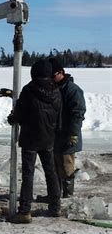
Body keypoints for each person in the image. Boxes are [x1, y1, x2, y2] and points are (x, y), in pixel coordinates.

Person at [8, 59, 62, 223]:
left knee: (28, 174)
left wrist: (13, 118)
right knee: (51, 172)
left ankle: (24, 211)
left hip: (30, 139)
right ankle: (55, 207)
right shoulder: (56, 91)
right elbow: (59, 115)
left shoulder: (29, 90)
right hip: (48, 139)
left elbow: (20, 114)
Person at [37, 60, 86, 200]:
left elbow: (77, 114)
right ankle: (54, 195)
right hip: (53, 135)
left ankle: (67, 196)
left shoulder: (72, 90)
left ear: (61, 72)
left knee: (66, 167)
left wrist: (73, 134)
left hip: (67, 136)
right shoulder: (51, 88)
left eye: (53, 75)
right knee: (53, 167)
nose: (51, 78)